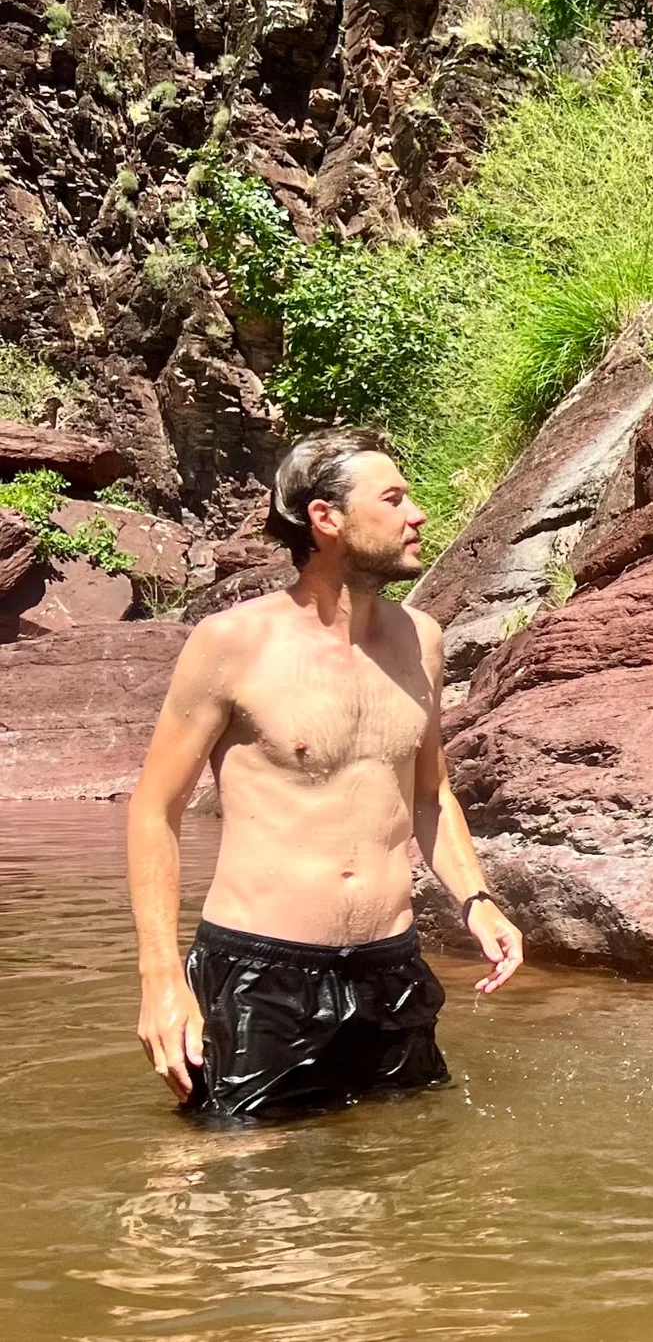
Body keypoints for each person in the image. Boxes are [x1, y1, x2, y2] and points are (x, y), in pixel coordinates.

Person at [127, 427, 524, 1120]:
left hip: (391, 971)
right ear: (326, 518)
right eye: (394, 498)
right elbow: (154, 812)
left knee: (410, 1168)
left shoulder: (420, 640)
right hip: (260, 979)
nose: (418, 514)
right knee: (244, 1188)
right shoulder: (233, 644)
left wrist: (477, 900)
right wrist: (161, 979)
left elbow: (430, 795)